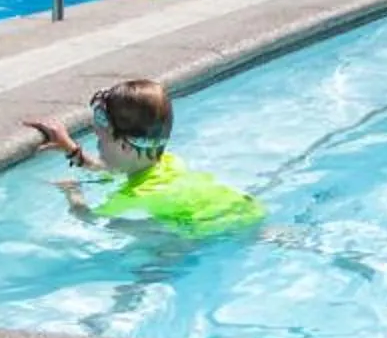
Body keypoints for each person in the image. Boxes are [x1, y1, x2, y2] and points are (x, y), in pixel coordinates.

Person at [23, 79, 263, 237]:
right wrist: (71, 149)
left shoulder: (134, 195)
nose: (98, 148)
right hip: (241, 205)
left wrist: (73, 196)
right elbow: (109, 168)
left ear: (126, 148)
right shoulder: (167, 161)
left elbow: (92, 219)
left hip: (213, 226)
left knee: (147, 252)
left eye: (100, 141)